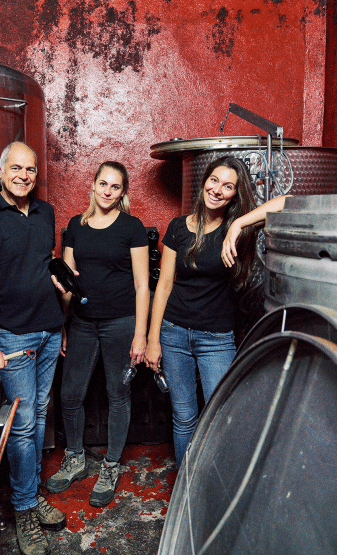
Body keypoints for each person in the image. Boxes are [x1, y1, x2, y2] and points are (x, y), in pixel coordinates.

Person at [145, 155, 288, 468]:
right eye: (214, 180)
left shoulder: (238, 229)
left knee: (219, 415)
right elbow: (164, 285)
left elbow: (288, 202)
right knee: (184, 418)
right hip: (173, 333)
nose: (218, 190)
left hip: (216, 338)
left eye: (228, 186)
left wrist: (238, 223)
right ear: (204, 181)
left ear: (235, 195)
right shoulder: (178, 228)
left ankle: (212, 488)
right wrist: (153, 339)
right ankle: (187, 488)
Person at [0, 142, 66, 555]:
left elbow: (44, 265)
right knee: (22, 424)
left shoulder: (46, 212)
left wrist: (64, 313)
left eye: (31, 169)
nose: (24, 176)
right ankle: (24, 508)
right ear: (2, 170)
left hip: (50, 331)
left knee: (39, 414)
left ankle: (30, 492)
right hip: (14, 337)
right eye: (16, 168)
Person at [46, 161, 149, 507]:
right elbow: (68, 281)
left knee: (118, 394)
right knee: (70, 394)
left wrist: (141, 334)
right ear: (93, 185)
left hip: (121, 322)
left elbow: (142, 285)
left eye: (115, 186)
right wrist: (63, 323)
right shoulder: (76, 226)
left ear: (123, 192)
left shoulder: (132, 227)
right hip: (83, 323)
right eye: (103, 183)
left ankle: (111, 465)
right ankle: (75, 458)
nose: (107, 191)